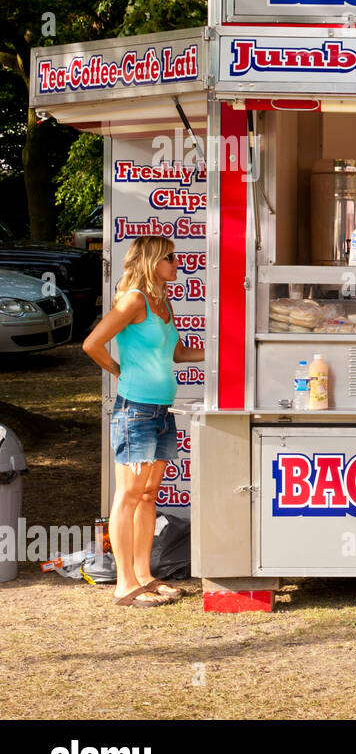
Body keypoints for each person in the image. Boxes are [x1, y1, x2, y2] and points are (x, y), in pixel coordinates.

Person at [83, 236, 204, 607]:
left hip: (161, 411)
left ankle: (144, 576)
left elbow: (178, 352)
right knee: (129, 496)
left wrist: (218, 350)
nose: (176, 263)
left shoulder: (162, 301)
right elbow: (92, 344)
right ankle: (124, 584)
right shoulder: (133, 299)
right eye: (169, 258)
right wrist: (120, 372)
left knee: (149, 495)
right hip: (134, 410)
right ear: (151, 260)